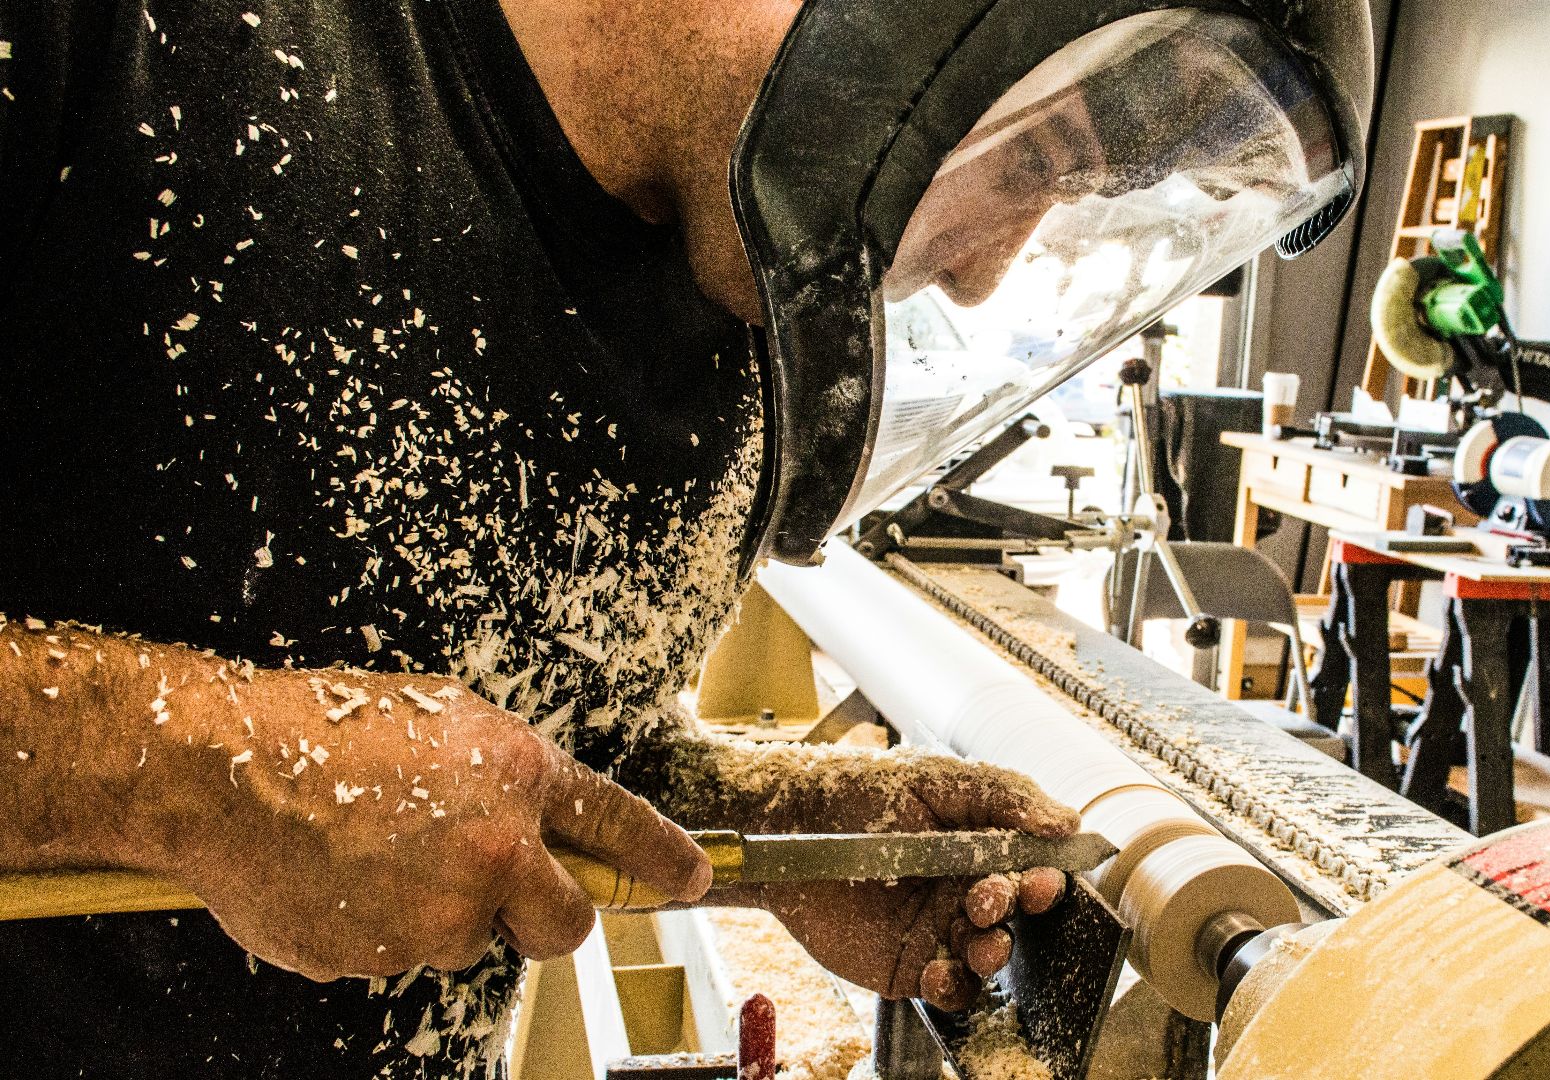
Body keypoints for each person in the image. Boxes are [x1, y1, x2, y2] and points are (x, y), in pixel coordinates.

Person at [0, 1, 1082, 1075]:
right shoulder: (125, 46)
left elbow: (529, 744)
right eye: (1025, 155)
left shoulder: (739, 321)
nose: (983, 275)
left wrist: (770, 834)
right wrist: (223, 778)